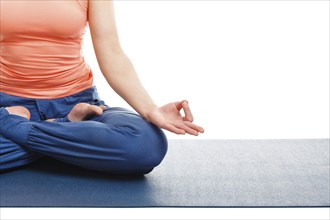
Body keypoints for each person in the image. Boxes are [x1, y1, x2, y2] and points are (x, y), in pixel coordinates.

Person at [0, 0, 204, 174]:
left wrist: (150, 109)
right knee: (106, 146)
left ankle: (14, 127)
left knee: (146, 146)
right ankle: (65, 131)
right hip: (7, 106)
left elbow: (112, 52)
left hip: (80, 106)